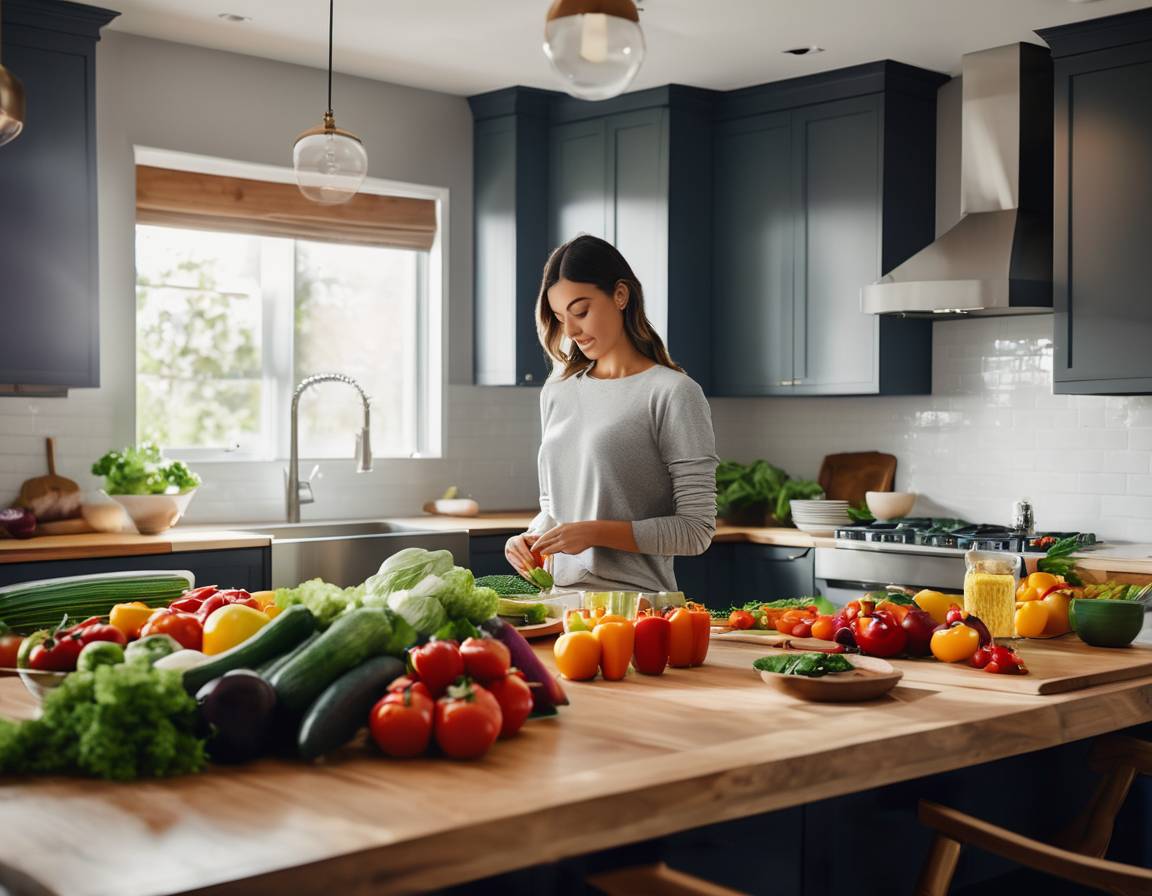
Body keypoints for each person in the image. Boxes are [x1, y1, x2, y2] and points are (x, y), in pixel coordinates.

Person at [504, 234, 718, 593]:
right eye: (560, 317)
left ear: (620, 295)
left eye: (581, 311)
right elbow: (554, 507)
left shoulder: (673, 393)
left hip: (637, 611)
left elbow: (696, 530)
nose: (570, 331)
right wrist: (531, 537)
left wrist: (593, 532)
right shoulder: (558, 390)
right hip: (560, 607)